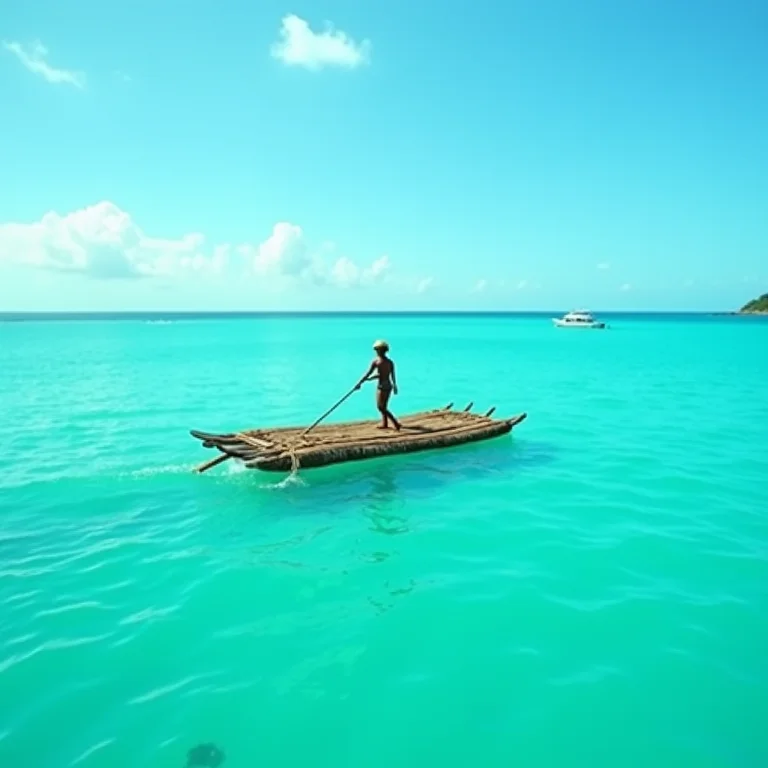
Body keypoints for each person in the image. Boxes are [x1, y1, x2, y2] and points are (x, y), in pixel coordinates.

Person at [356, 339, 401, 430]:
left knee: (380, 407)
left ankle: (396, 423)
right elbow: (387, 375)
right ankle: (385, 423)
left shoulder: (376, 362)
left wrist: (360, 382)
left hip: (382, 387)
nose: (376, 352)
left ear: (380, 350)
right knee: (384, 406)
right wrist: (395, 386)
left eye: (377, 350)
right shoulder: (390, 362)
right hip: (388, 386)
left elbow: (368, 373)